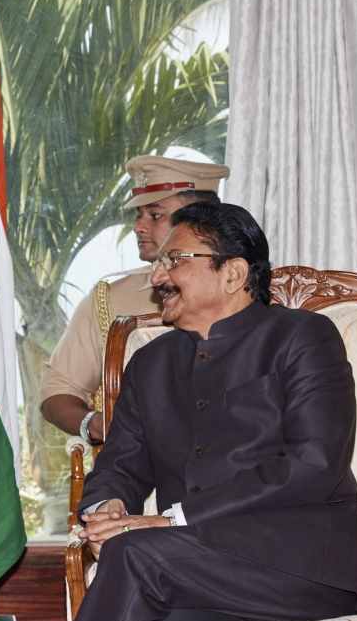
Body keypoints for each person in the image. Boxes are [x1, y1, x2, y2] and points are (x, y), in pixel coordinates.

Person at [0, 202, 357, 621]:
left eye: (176, 259)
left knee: (135, 554)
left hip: (310, 566)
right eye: (161, 262)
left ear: (234, 272)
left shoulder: (302, 337)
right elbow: (119, 466)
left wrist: (170, 520)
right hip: (201, 573)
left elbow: (313, 465)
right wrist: (105, 506)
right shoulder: (151, 364)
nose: (158, 275)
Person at [40, 156, 229, 444]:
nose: (138, 227)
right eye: (138, 216)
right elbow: (57, 388)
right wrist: (93, 423)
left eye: (155, 215)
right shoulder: (108, 300)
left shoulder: (253, 292)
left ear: (201, 221)